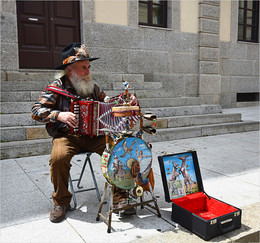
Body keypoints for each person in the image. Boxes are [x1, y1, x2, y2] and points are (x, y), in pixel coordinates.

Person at [31, 43, 130, 223]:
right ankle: (61, 202)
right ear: (70, 69)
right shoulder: (56, 87)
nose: (87, 71)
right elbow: (36, 110)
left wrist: (121, 103)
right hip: (67, 136)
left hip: (95, 136)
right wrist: (58, 114)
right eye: (83, 67)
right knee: (58, 158)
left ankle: (120, 196)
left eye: (88, 67)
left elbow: (109, 102)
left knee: (118, 151)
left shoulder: (92, 87)